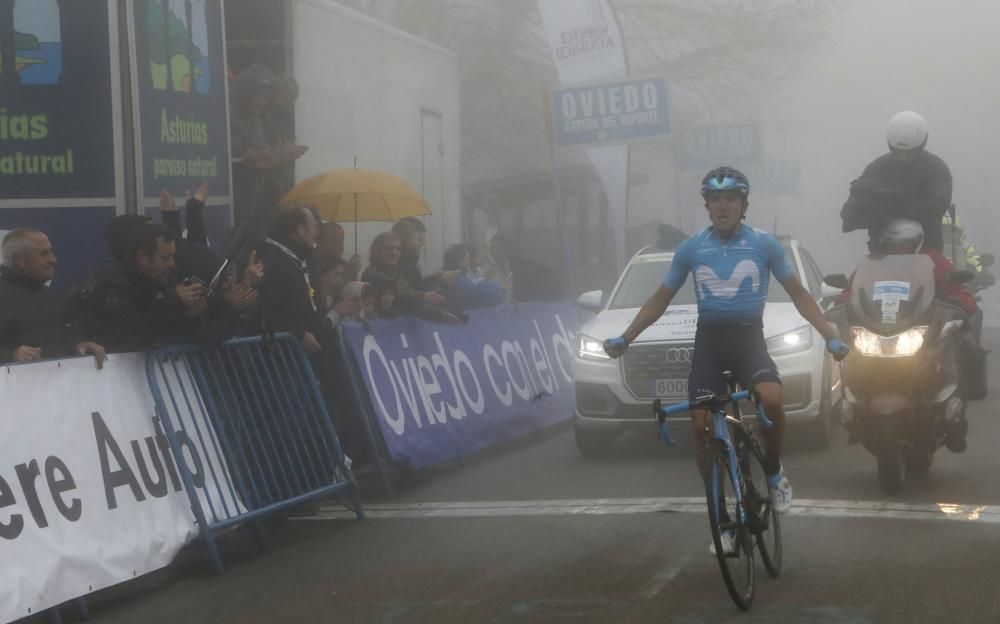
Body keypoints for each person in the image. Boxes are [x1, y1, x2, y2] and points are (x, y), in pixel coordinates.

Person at [603, 166, 850, 552]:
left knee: (770, 398)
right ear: (706, 205)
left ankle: (772, 470)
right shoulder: (691, 248)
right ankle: (721, 520)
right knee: (701, 427)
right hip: (710, 342)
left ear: (743, 204)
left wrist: (830, 336)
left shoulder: (764, 245)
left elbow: (800, 294)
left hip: (748, 337)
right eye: (715, 200)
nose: (723, 206)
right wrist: (626, 337)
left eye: (731, 199)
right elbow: (660, 299)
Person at [81, 224, 208, 353]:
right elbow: (129, 337)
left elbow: (180, 333)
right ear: (142, 258)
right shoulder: (113, 285)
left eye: (172, 256)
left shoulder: (163, 278)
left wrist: (192, 316)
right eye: (165, 258)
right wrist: (174, 301)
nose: (172, 264)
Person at [841, 111, 952, 252]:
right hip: (880, 260)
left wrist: (889, 196)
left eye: (911, 152)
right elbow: (849, 218)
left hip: (929, 260)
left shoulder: (936, 169)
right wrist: (868, 201)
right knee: (856, 275)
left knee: (948, 273)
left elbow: (936, 206)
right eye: (899, 151)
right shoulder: (876, 169)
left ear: (922, 144)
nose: (904, 157)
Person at [0, 228, 105, 366]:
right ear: (19, 260)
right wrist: (11, 354)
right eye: (44, 254)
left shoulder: (47, 295)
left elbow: (56, 337)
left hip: (52, 384)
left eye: (51, 252)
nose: (53, 260)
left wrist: (77, 345)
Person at [257, 205, 324, 354]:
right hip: (282, 353)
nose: (316, 233)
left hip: (308, 346)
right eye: (314, 226)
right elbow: (270, 307)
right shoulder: (272, 259)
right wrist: (298, 333)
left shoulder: (302, 257)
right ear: (300, 229)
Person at [362, 232, 459, 324]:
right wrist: (423, 295)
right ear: (376, 250)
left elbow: (413, 304)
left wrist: (441, 315)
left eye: (398, 249)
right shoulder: (371, 274)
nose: (394, 252)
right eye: (389, 248)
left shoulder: (396, 273)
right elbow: (401, 295)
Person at [441, 243, 504, 311]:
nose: (469, 262)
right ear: (460, 262)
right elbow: (495, 295)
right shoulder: (461, 284)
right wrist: (490, 282)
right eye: (467, 259)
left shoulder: (441, 280)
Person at [479, 232, 513, 303]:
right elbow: (479, 288)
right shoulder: (483, 263)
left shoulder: (506, 261)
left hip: (507, 305)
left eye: (506, 246)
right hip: (491, 306)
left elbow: (508, 284)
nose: (504, 249)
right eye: (501, 246)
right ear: (492, 246)